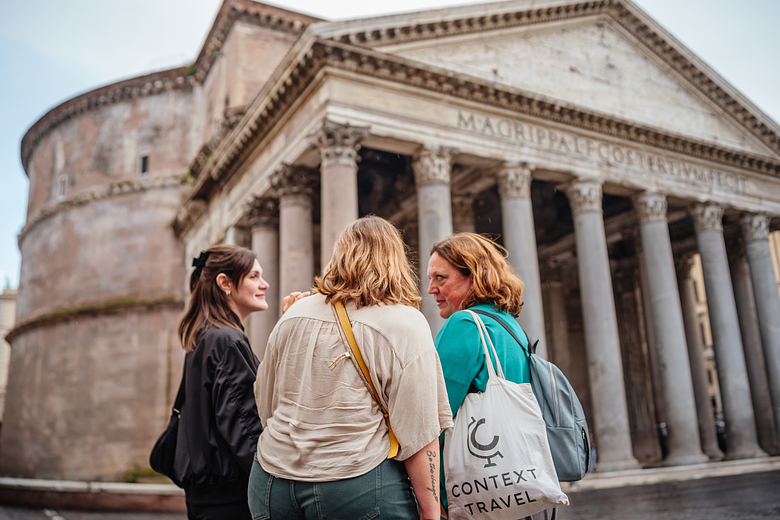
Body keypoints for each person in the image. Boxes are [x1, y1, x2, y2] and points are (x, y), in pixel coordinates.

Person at [250, 216, 453, 520]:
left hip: (270, 482)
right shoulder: (404, 321)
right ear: (394, 259)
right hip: (354, 484)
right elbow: (420, 432)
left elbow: (265, 401)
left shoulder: (294, 314)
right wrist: (431, 512)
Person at [427, 232, 557, 520]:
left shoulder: (464, 324)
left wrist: (429, 499)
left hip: (477, 495)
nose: (430, 289)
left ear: (472, 275)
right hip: (519, 485)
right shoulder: (509, 325)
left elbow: (432, 418)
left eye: (440, 278)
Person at [174, 244, 273, 520]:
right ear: (225, 283)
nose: (264, 284)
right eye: (254, 277)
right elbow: (247, 430)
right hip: (231, 497)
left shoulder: (205, 336)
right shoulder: (227, 340)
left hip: (206, 494)